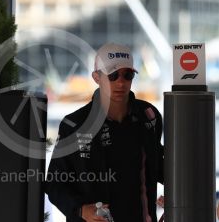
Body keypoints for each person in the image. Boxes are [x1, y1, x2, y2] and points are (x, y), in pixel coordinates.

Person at [45, 43, 164, 222]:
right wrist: (81, 210)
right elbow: (55, 183)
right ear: (96, 77)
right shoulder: (75, 124)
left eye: (127, 75)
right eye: (112, 75)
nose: (121, 82)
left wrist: (177, 196)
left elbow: (160, 165)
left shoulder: (149, 116)